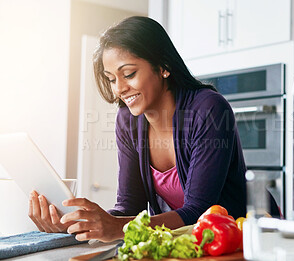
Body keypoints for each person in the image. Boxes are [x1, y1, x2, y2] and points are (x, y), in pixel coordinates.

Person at [28, 16, 277, 243]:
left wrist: (117, 227)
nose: (119, 89)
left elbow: (198, 211)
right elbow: (128, 209)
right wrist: (75, 223)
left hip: (250, 240)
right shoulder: (128, 120)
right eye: (112, 79)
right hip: (192, 245)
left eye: (129, 74)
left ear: (164, 66)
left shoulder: (208, 109)